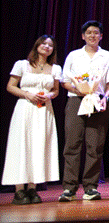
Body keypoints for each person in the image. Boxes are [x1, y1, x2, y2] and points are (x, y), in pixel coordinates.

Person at [59, 20, 109, 202]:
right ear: (83, 36)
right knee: (72, 144)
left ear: (101, 36)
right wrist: (79, 90)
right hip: (76, 100)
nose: (92, 35)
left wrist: (105, 98)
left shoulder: (107, 56)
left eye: (96, 32)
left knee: (95, 145)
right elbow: (65, 80)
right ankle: (69, 188)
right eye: (89, 33)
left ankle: (90, 187)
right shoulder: (74, 55)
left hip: (98, 102)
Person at [2, 35, 61, 205]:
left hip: (44, 110)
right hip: (25, 108)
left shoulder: (55, 68)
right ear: (37, 45)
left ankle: (33, 187)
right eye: (44, 43)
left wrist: (49, 95)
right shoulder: (22, 65)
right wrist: (27, 94)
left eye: (50, 45)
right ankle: (19, 190)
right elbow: (10, 86)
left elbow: (56, 90)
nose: (46, 47)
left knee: (39, 145)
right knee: (22, 145)